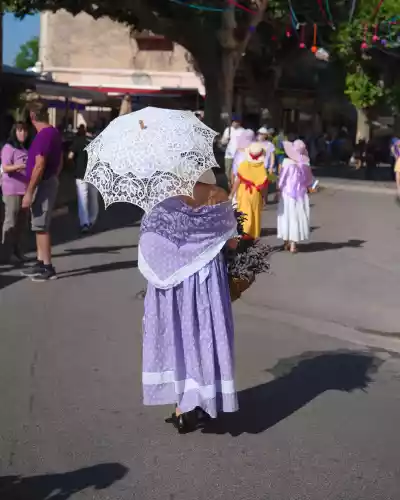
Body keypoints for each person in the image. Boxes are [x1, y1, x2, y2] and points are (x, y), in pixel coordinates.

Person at [139, 169, 238, 434]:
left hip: (172, 283)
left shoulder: (163, 198)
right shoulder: (218, 196)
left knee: (177, 335)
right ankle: (201, 399)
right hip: (207, 282)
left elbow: (149, 240)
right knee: (202, 333)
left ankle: (182, 405)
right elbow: (232, 243)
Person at [20, 100, 63, 281]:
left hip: (42, 183)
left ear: (32, 116)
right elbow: (59, 160)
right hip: (48, 180)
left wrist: (30, 191)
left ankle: (47, 266)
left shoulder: (43, 135)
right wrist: (55, 175)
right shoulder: (53, 132)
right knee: (38, 225)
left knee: (41, 226)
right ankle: (40, 262)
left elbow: (39, 165)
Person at [0, 122, 31, 263]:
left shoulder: (25, 149)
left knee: (22, 223)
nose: (22, 134)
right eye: (19, 131)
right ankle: (5, 254)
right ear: (14, 132)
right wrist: (19, 166)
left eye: (24, 131)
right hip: (11, 189)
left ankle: (17, 250)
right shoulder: (8, 148)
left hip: (24, 189)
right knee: (10, 221)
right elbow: (5, 168)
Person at [277, 140, 313, 254]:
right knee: (297, 217)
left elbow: (282, 179)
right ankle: (293, 244)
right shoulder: (305, 164)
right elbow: (309, 181)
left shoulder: (286, 162)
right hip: (301, 195)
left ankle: (286, 241)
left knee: (286, 216)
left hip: (287, 194)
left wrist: (278, 190)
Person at [230, 142, 268, 240]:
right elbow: (263, 187)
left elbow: (237, 181)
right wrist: (264, 198)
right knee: (255, 215)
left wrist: (232, 193)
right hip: (256, 194)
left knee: (244, 214)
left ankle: (243, 234)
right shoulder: (262, 168)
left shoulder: (243, 165)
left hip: (243, 193)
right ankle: (252, 236)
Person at [68, 125, 98, 233]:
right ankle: (92, 220)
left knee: (82, 199)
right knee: (93, 199)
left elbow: (70, 156)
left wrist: (74, 166)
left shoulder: (78, 141)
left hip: (80, 174)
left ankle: (84, 223)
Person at [220, 117, 244, 187]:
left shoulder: (243, 131)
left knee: (238, 173)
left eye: (236, 121)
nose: (234, 123)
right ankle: (230, 186)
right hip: (229, 155)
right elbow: (222, 142)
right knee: (228, 172)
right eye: (233, 121)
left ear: (239, 122)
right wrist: (225, 139)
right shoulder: (228, 130)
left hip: (239, 156)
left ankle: (236, 188)